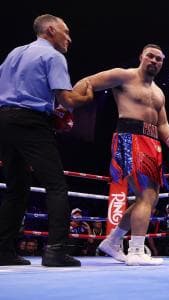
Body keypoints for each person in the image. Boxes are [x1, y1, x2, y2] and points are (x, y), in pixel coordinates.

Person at [0, 14, 93, 267]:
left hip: (4, 121)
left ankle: (3, 250)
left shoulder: (14, 53)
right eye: (66, 32)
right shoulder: (53, 56)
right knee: (56, 185)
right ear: (51, 30)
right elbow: (68, 100)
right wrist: (85, 98)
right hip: (30, 122)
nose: (69, 38)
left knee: (16, 188)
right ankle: (55, 251)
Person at [73, 44, 169, 265]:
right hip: (130, 137)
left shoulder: (159, 92)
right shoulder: (124, 76)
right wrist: (69, 106)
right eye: (150, 56)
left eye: (159, 59)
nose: (154, 61)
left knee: (149, 198)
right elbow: (87, 82)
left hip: (152, 142)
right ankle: (137, 251)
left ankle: (113, 241)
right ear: (141, 56)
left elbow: (164, 123)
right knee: (145, 196)